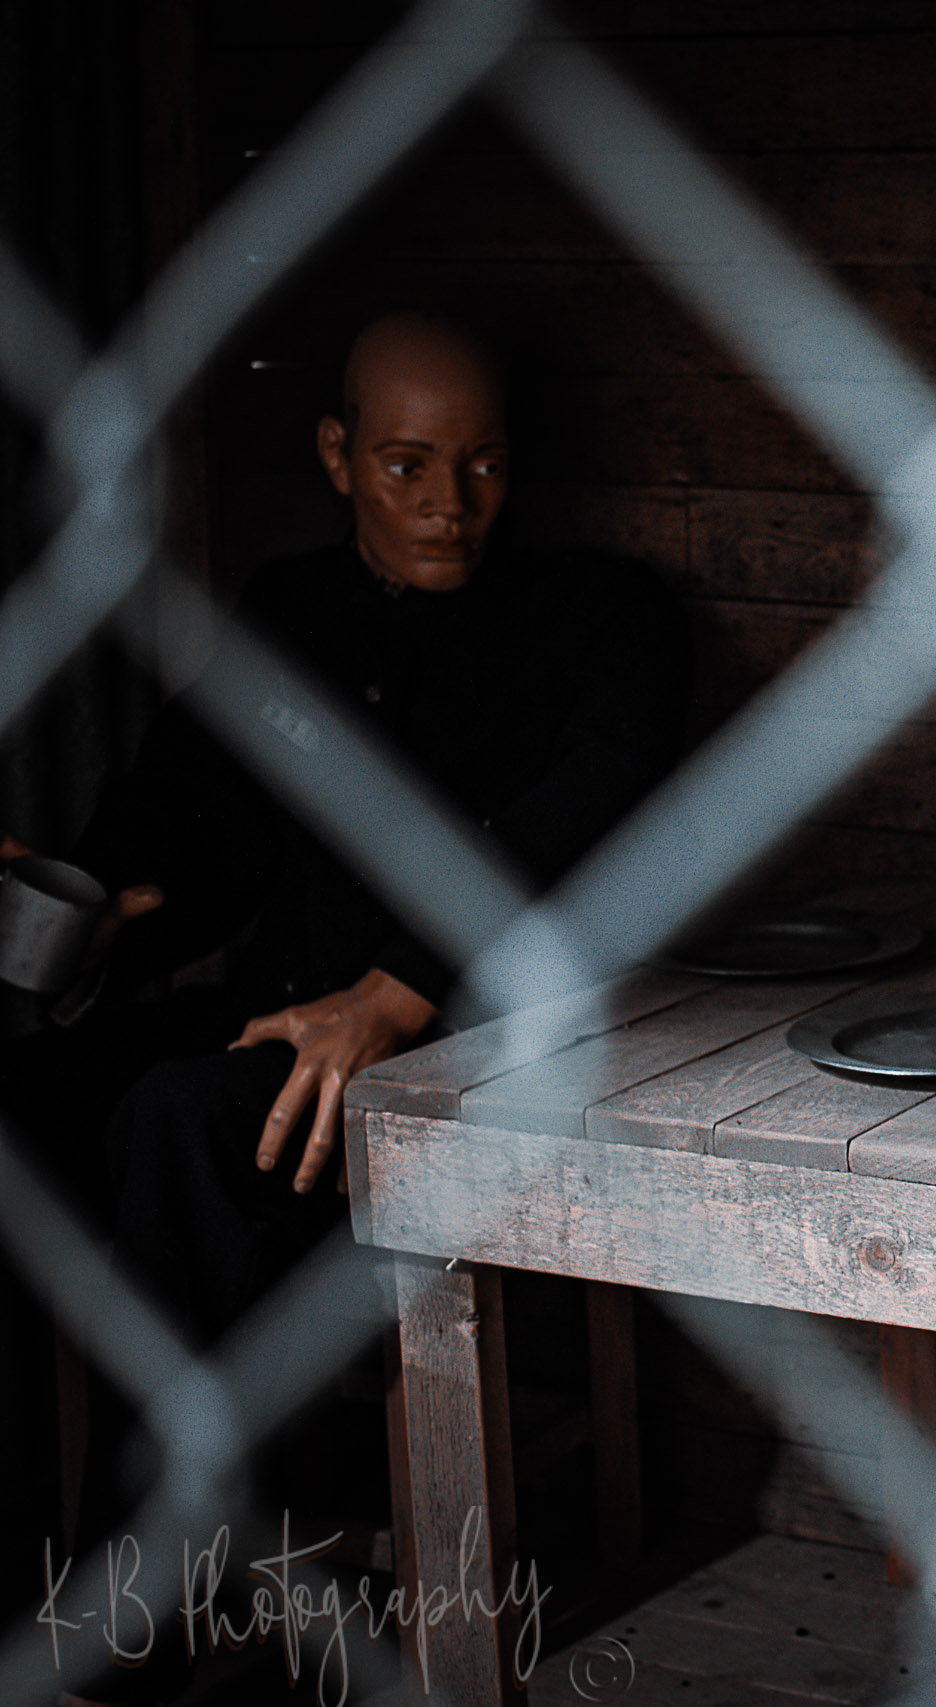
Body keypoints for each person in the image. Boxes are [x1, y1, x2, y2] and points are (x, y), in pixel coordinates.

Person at [0, 312, 689, 1561]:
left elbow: (578, 822)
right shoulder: (288, 612)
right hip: (284, 1019)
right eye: (406, 464)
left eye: (482, 464)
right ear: (337, 456)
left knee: (180, 1119)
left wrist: (406, 986)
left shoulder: (600, 617)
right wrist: (93, 911)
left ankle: (143, 1584)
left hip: (481, 1055)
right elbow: (183, 818)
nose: (449, 505)